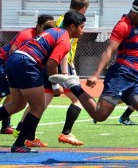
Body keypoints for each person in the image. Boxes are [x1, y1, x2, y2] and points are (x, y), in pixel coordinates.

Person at [49, 0, 138, 166]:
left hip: (134, 80)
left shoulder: (135, 24)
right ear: (136, 13)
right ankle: (73, 85)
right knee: (99, 115)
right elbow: (109, 51)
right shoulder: (123, 25)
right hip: (120, 76)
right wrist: (95, 73)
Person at [0, 11, 86, 153]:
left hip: (15, 60)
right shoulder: (65, 40)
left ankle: (20, 143)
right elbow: (52, 63)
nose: (83, 31)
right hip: (26, 63)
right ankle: (19, 144)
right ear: (72, 27)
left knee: (17, 104)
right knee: (38, 107)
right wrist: (55, 85)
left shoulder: (54, 31)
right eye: (82, 27)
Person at [0, 14, 55, 135]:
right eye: (45, 27)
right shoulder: (27, 34)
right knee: (3, 94)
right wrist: (11, 71)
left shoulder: (45, 37)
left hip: (15, 64)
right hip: (4, 62)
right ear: (38, 26)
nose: (48, 30)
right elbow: (12, 51)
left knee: (12, 96)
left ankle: (5, 126)